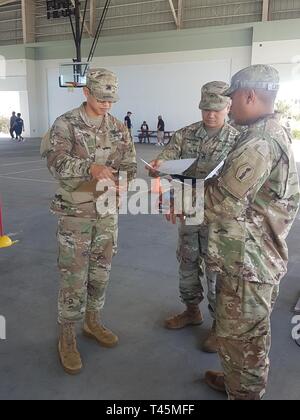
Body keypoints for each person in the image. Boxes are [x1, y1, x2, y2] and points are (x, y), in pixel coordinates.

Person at [200, 65, 300, 399]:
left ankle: (244, 391)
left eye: (232, 100)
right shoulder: (272, 131)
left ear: (249, 95)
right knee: (242, 334)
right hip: (253, 254)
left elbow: (224, 201)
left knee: (244, 337)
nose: (230, 107)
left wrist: (174, 198)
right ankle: (236, 380)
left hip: (250, 261)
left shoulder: (259, 142)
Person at [44, 68, 137, 375]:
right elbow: (55, 162)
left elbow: (129, 164)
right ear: (86, 93)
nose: (107, 105)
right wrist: (91, 168)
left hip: (107, 213)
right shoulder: (66, 123)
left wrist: (124, 181)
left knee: (101, 272)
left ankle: (92, 321)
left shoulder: (118, 126)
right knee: (73, 276)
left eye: (111, 100)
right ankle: (67, 336)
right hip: (76, 214)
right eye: (101, 99)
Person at [147, 82, 240, 352]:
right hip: (188, 210)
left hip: (219, 217)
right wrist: (158, 167)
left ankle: (218, 326)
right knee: (187, 261)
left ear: (228, 106)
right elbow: (167, 157)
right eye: (205, 109)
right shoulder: (186, 134)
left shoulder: (238, 139)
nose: (210, 114)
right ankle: (191, 311)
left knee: (215, 270)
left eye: (217, 109)